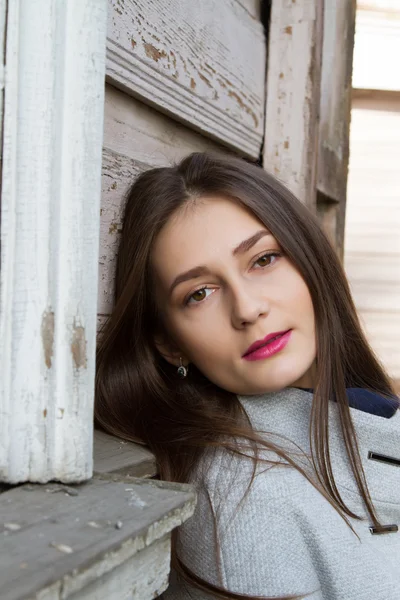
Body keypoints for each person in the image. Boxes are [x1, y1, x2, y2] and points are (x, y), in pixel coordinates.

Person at [94, 152, 400, 600]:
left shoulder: (357, 416)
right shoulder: (245, 500)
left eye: (263, 259)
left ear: (310, 260)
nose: (247, 308)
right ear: (170, 344)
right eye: (199, 293)